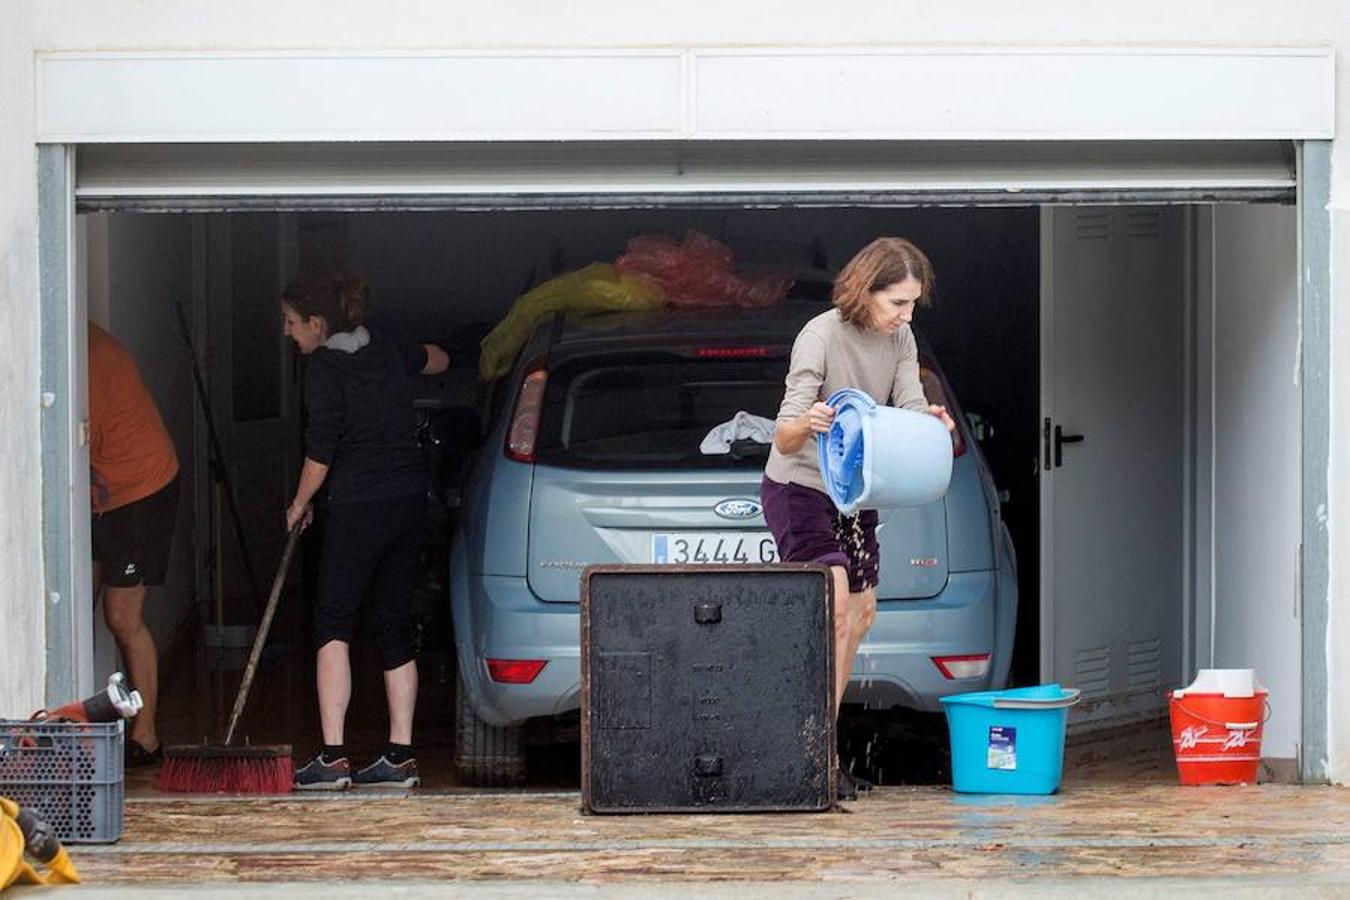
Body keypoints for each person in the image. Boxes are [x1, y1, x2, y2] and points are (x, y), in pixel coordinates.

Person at [761, 237, 956, 799]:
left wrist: (931, 422)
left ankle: (823, 743)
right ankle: (808, 750)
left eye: (913, 304)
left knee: (862, 613)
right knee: (837, 604)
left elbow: (909, 405)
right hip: (799, 484)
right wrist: (812, 420)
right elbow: (784, 431)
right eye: (897, 302)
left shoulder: (901, 336)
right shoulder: (820, 335)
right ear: (863, 291)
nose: (906, 315)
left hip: (855, 488)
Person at [281, 275, 450, 790]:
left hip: (358, 506)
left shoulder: (323, 368)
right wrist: (404, 366)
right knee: (393, 621)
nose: (287, 334)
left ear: (317, 324)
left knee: (333, 620)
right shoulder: (387, 344)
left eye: (290, 323)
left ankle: (333, 758)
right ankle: (398, 757)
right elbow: (440, 359)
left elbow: (321, 451)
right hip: (407, 501)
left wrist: (298, 503)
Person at [88, 322, 181, 768]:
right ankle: (66, 729)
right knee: (72, 606)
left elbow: (73, 432)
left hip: (139, 490)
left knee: (122, 617)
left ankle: (146, 738)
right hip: (97, 493)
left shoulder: (85, 355)